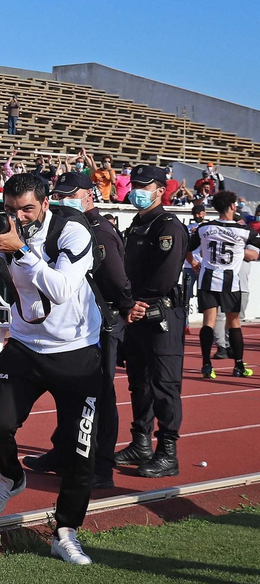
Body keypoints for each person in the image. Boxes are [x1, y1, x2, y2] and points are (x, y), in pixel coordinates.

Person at [0, 173, 102, 565]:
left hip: (76, 350)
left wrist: (20, 249)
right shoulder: (2, 229)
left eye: (26, 208)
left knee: (79, 448)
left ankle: (65, 532)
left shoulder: (72, 229)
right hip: (25, 345)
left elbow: (60, 289)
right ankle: (11, 475)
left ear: (45, 203)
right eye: (10, 209)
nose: (18, 216)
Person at [22, 172, 132, 489]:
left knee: (99, 395)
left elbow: (113, 277)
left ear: (89, 195)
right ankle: (63, 451)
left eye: (69, 193)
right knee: (69, 391)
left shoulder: (97, 230)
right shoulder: (61, 228)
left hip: (101, 321)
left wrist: (125, 307)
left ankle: (102, 466)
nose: (62, 199)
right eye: (58, 194)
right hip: (75, 322)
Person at [113, 166, 191, 478]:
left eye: (145, 186)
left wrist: (136, 302)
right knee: (139, 383)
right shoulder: (138, 223)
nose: (137, 191)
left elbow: (164, 277)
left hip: (161, 316)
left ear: (161, 190)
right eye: (135, 185)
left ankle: (167, 452)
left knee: (164, 385)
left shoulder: (167, 225)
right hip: (138, 315)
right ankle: (140, 443)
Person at [190, 190, 259, 379]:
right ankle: (238, 365)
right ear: (232, 206)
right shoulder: (244, 230)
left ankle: (206, 365)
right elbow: (256, 252)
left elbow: (188, 248)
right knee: (234, 323)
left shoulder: (204, 228)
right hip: (231, 284)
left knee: (208, 322)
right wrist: (245, 253)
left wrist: (194, 262)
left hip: (207, 280)